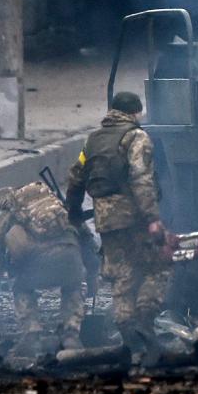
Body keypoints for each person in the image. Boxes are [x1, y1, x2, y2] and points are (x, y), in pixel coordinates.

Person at [65, 91, 170, 360]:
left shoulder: (93, 140)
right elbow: (141, 178)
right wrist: (152, 219)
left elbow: (75, 177)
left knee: (122, 275)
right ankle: (144, 322)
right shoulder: (136, 137)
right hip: (133, 216)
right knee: (157, 266)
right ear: (135, 112)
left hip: (105, 220)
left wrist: (73, 213)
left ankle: (128, 333)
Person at [0, 181, 86, 356]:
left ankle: (31, 333)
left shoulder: (3, 217)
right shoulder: (52, 202)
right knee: (73, 284)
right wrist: (91, 273)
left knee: (18, 283)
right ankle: (71, 333)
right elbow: (84, 233)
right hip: (70, 257)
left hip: (36, 265)